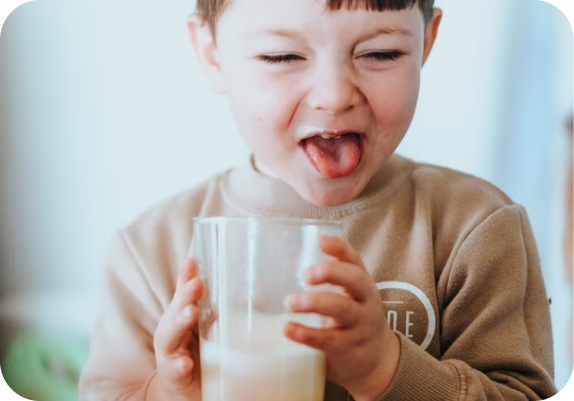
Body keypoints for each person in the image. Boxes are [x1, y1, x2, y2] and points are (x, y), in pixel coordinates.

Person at [78, 0, 558, 400]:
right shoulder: (149, 250)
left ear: (426, 43)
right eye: (282, 57)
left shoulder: (472, 227)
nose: (333, 95)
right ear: (212, 54)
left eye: (381, 52)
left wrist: (385, 367)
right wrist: (171, 390)